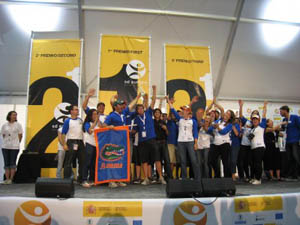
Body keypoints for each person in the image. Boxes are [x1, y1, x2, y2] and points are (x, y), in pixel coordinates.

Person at [103, 92, 141, 188]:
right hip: (114, 141)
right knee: (113, 160)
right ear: (115, 107)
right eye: (119, 105)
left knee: (121, 160)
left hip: (123, 140)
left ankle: (119, 180)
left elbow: (131, 105)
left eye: (121, 105)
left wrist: (137, 97)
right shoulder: (111, 115)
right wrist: (109, 126)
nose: (121, 107)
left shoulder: (124, 113)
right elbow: (103, 125)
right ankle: (111, 180)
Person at [134, 86, 166, 185]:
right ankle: (146, 179)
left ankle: (161, 177)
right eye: (138, 109)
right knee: (144, 160)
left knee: (157, 158)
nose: (140, 110)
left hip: (152, 140)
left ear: (143, 109)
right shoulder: (136, 119)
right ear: (137, 111)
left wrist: (154, 90)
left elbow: (152, 102)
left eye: (141, 108)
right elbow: (135, 131)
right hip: (142, 141)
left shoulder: (148, 113)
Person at [166, 96, 200, 180]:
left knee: (193, 160)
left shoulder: (193, 121)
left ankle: (197, 178)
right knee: (183, 161)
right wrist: (168, 101)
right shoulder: (179, 119)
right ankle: (184, 178)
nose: (182, 111)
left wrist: (196, 143)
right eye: (182, 110)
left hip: (190, 142)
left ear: (188, 112)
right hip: (181, 142)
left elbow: (195, 132)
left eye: (184, 110)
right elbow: (173, 110)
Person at [208, 108, 234, 178]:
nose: (226, 114)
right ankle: (218, 175)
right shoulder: (218, 121)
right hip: (215, 143)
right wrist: (212, 125)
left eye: (228, 114)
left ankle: (227, 179)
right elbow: (210, 129)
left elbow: (223, 132)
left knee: (225, 163)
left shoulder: (230, 124)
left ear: (230, 117)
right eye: (226, 113)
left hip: (225, 144)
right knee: (211, 160)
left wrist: (217, 127)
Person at [61, 105, 85, 184]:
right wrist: (64, 144)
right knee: (69, 161)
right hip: (71, 142)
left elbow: (83, 131)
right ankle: (66, 180)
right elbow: (63, 134)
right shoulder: (68, 121)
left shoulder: (80, 120)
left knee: (82, 161)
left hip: (80, 142)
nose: (77, 111)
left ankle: (81, 180)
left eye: (78, 110)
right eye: (76, 110)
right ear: (71, 111)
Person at [248, 101, 268, 185]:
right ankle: (255, 177)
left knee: (258, 163)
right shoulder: (252, 129)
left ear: (259, 120)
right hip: (253, 148)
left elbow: (264, 115)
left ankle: (258, 179)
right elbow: (250, 139)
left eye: (256, 119)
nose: (254, 120)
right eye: (253, 119)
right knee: (254, 164)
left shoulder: (261, 125)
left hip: (259, 147)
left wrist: (264, 106)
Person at [1, 111, 23, 184]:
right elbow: (3, 134)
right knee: (6, 163)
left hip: (14, 146)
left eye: (16, 115)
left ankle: (11, 179)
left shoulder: (18, 125)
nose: (15, 116)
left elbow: (20, 135)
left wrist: (17, 142)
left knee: (12, 162)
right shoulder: (5, 125)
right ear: (9, 116)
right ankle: (6, 179)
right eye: (13, 115)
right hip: (5, 146)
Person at [280, 105, 300, 181]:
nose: (280, 113)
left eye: (281, 111)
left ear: (285, 110)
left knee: (296, 158)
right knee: (289, 159)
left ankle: (297, 174)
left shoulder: (295, 117)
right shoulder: (284, 119)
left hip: (295, 141)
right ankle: (293, 175)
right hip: (287, 142)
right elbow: (282, 130)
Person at [82, 109, 101, 188]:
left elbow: (103, 127)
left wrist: (98, 121)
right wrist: (95, 122)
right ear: (90, 115)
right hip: (89, 144)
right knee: (87, 163)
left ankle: (92, 179)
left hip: (96, 145)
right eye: (94, 114)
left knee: (94, 163)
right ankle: (84, 180)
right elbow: (89, 131)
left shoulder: (98, 123)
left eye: (96, 114)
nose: (95, 116)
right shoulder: (87, 123)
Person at [153, 108, 172, 180]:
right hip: (156, 143)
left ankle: (169, 176)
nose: (157, 114)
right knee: (158, 160)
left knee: (167, 160)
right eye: (156, 112)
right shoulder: (152, 122)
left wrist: (166, 129)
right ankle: (159, 177)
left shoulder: (163, 122)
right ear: (154, 114)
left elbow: (168, 133)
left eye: (158, 112)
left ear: (160, 114)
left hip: (163, 142)